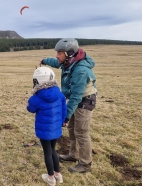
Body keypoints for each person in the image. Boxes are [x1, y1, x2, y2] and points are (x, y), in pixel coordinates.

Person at [40, 38, 97, 173]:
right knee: (71, 128)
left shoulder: (80, 70)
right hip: (76, 99)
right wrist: (44, 60)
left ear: (69, 53)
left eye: (60, 53)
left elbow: (77, 96)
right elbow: (56, 62)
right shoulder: (68, 62)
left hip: (85, 100)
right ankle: (73, 154)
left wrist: (65, 116)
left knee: (81, 132)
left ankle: (85, 164)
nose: (57, 55)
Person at [27, 67, 67, 185]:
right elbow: (64, 110)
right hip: (56, 129)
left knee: (47, 153)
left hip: (44, 131)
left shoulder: (37, 97)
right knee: (53, 151)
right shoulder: (59, 94)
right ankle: (58, 175)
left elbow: (30, 109)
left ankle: (50, 178)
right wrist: (62, 122)